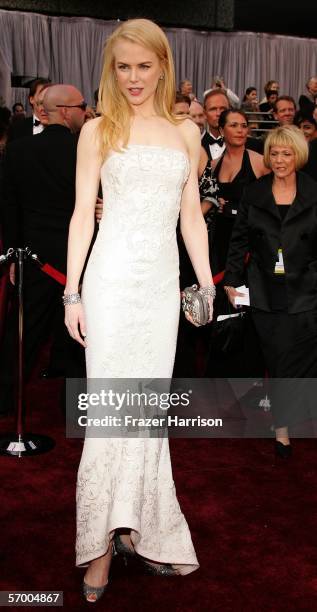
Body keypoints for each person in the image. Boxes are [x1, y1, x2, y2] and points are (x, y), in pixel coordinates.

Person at [63, 18, 214, 602]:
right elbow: (82, 216)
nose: (133, 77)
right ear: (112, 69)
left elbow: (191, 219)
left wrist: (203, 284)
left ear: (162, 66)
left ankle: (140, 530)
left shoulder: (185, 134)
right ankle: (98, 549)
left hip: (158, 291)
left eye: (143, 66)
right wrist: (72, 291)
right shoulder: (97, 130)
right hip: (109, 285)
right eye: (123, 66)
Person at [223, 125, 317, 457]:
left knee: (298, 359)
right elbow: (239, 241)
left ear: (299, 155)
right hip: (264, 288)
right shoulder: (255, 192)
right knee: (277, 359)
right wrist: (232, 280)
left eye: (286, 153)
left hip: (306, 290)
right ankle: (282, 427)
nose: (279, 160)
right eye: (274, 153)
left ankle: (290, 415)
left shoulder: (314, 192)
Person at [0, 84, 87, 413]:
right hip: (78, 256)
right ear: (65, 111)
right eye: (81, 106)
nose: (85, 111)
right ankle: (78, 406)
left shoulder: (19, 151)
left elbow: (9, 209)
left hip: (33, 255)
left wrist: (12, 252)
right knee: (79, 329)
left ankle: (6, 399)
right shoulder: (84, 152)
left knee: (24, 329)